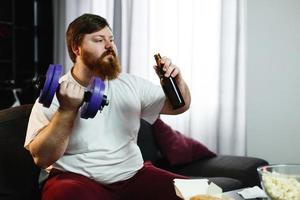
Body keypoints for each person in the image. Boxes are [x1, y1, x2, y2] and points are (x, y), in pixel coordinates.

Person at [24, 13, 191, 200]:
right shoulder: (55, 95)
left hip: (133, 176)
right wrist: (67, 110)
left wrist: (177, 82)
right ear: (76, 48)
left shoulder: (131, 84)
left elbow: (179, 106)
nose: (109, 45)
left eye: (111, 39)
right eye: (99, 40)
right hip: (77, 180)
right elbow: (42, 158)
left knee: (194, 193)